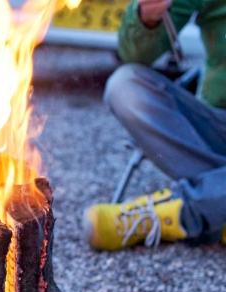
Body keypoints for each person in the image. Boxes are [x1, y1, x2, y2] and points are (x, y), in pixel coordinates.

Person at [84, 0, 226, 251]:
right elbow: (135, 56)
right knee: (125, 86)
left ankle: (177, 211)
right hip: (218, 124)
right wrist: (146, 17)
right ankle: (217, 201)